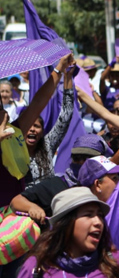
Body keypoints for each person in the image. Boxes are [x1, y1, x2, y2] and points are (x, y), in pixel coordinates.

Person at [0, 53, 75, 208]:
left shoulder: (14, 132)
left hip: (18, 217)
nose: (3, 112)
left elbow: (38, 102)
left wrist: (59, 69)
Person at [24, 67, 76, 187]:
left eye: (36, 126)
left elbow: (66, 115)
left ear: (42, 131)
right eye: (28, 126)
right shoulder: (11, 149)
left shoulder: (47, 145)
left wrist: (67, 76)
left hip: (46, 203)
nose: (32, 129)